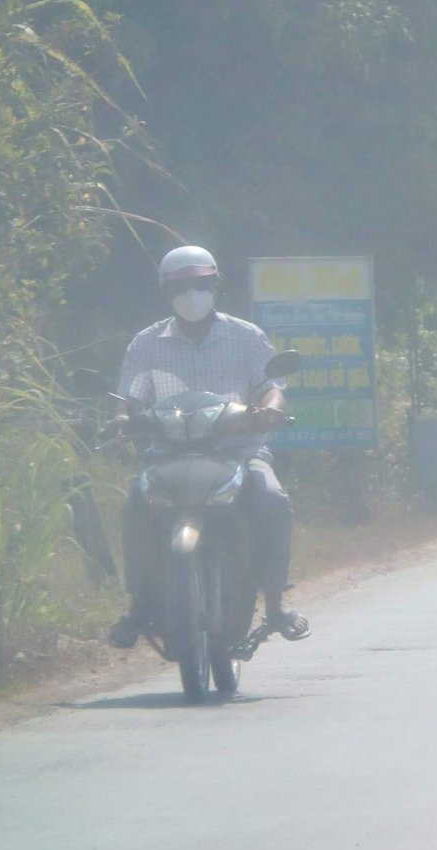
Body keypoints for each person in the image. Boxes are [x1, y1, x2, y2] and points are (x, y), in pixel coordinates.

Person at [106, 246, 311, 648]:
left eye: (201, 284)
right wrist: (121, 421)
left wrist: (270, 411)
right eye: (182, 286)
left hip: (239, 451)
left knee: (272, 499)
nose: (192, 294)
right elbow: (128, 399)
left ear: (215, 285)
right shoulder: (146, 344)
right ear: (167, 292)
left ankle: (274, 605)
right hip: (166, 455)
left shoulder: (246, 336)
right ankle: (138, 605)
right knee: (135, 505)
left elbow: (271, 388)